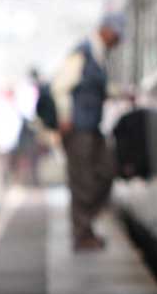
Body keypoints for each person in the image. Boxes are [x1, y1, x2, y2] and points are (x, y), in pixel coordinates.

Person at [51, 14, 122, 251]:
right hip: (77, 128)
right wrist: (65, 117)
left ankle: (86, 227)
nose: (119, 40)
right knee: (82, 181)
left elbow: (97, 86)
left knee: (105, 171)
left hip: (91, 127)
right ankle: (82, 235)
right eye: (117, 34)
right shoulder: (83, 52)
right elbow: (60, 86)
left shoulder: (98, 54)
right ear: (106, 30)